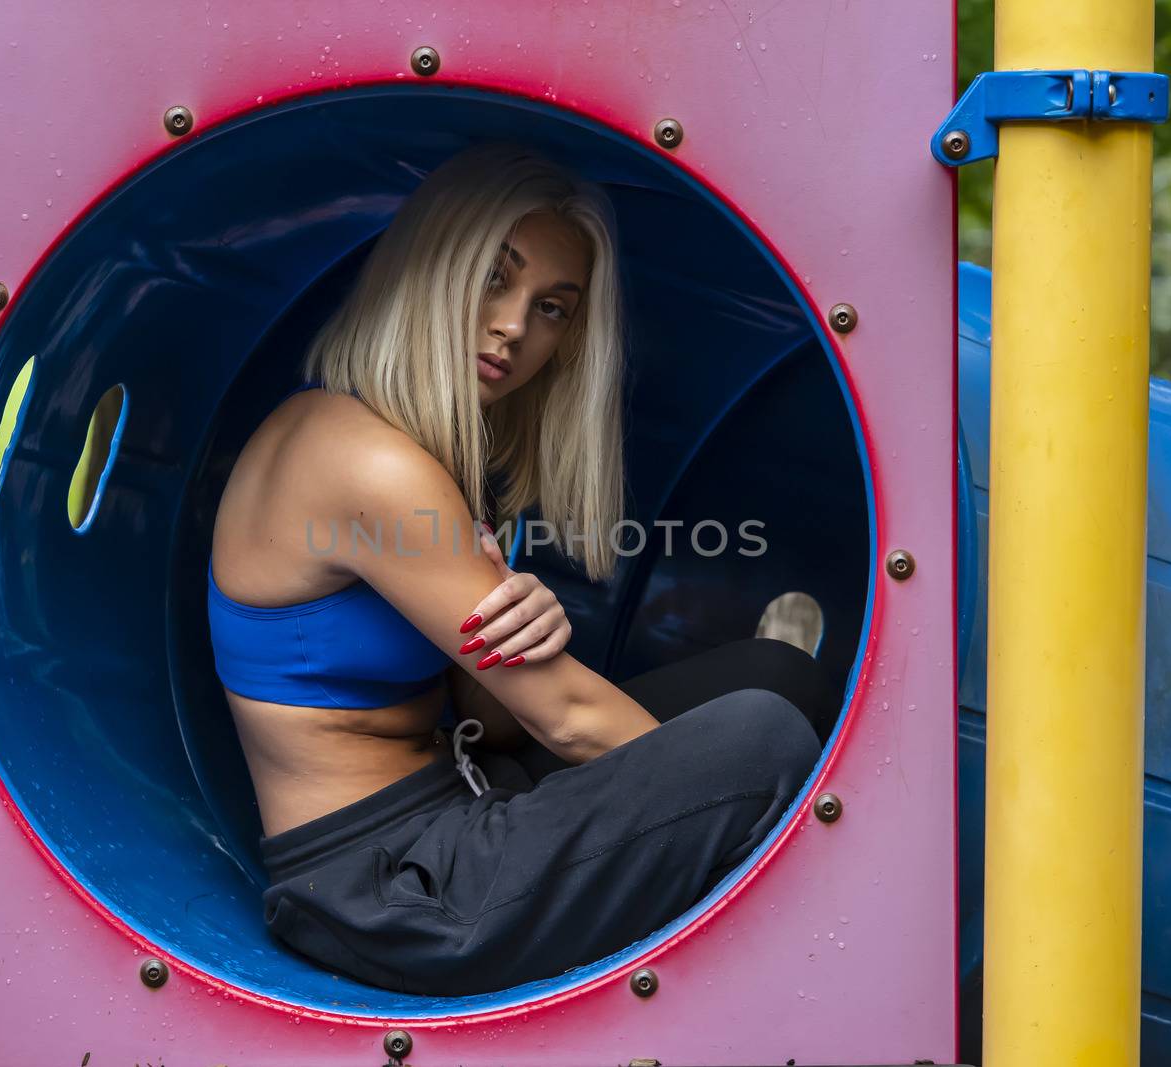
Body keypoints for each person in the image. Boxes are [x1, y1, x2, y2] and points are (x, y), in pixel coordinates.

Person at [206, 142, 832, 996]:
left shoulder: (434, 464)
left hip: (464, 801)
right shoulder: (360, 459)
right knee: (761, 741)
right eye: (495, 279)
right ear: (429, 269)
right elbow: (569, 718)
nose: (514, 326)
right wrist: (716, 809)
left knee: (775, 673)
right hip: (389, 891)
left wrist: (521, 615)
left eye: (553, 308)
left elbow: (490, 727)